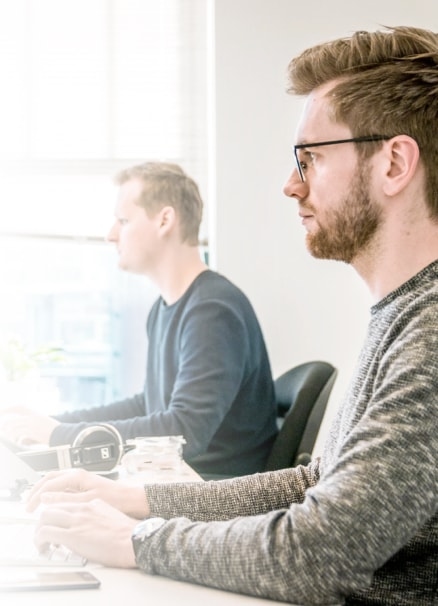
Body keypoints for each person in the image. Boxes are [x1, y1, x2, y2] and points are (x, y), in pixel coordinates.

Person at [25, 26, 438, 605]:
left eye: (311, 158)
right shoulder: (401, 315)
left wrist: (139, 540)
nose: (291, 185)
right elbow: (315, 483)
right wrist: (140, 501)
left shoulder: (429, 333)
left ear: (394, 163)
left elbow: (320, 552)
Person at [0, 161, 278, 479]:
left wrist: (57, 435)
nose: (110, 235)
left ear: (164, 221)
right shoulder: (166, 308)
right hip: (177, 482)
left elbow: (184, 432)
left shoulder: (212, 311)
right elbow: (148, 405)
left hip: (211, 495)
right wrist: (54, 424)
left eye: (123, 220)